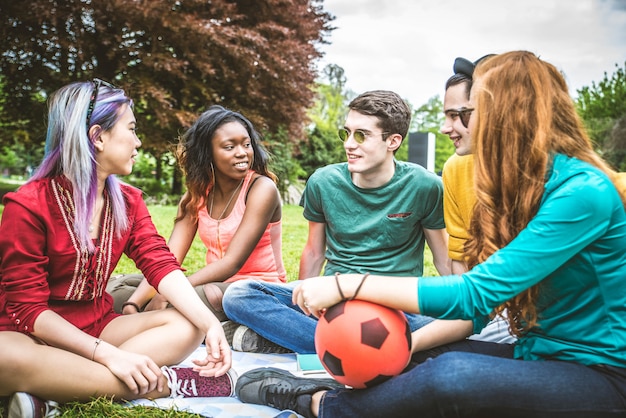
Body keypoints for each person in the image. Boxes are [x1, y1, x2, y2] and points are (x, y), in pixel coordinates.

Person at [234, 51, 626, 417]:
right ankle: (364, 390)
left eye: (466, 113)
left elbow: (473, 292)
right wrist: (404, 349)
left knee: (452, 373)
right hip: (536, 354)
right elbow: (480, 311)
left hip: (603, 375)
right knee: (422, 353)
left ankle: (323, 404)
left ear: (508, 115)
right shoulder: (522, 189)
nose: (446, 127)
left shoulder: (581, 193)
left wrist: (347, 285)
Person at [0, 80, 237, 417]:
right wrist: (107, 355)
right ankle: (164, 383)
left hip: (98, 325)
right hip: (28, 334)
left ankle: (56, 391)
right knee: (5, 358)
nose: (138, 142)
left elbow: (160, 264)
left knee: (188, 325)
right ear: (98, 137)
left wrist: (211, 326)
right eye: (131, 129)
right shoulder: (27, 206)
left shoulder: (128, 201)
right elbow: (29, 311)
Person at [222, 90, 451, 355]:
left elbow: (442, 258)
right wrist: (304, 304)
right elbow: (314, 252)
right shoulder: (323, 182)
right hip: (331, 298)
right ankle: (374, 350)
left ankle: (315, 344)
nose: (349, 144)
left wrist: (464, 308)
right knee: (238, 295)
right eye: (347, 133)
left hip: (394, 304)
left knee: (455, 329)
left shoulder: (426, 186)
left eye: (361, 135)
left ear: (393, 141)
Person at [107, 105, 285, 325]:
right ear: (207, 153)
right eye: (229, 147)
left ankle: (190, 323)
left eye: (246, 144)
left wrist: (171, 293)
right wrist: (132, 304)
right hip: (212, 287)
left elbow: (231, 263)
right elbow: (169, 258)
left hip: (252, 292)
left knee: (185, 300)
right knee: (115, 290)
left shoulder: (261, 188)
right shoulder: (197, 194)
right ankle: (170, 321)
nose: (242, 152)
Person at [440, 55, 516, 345]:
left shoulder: (567, 179)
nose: (446, 128)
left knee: (441, 358)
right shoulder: (455, 169)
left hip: (529, 320)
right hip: (480, 308)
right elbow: (461, 263)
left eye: (458, 115)